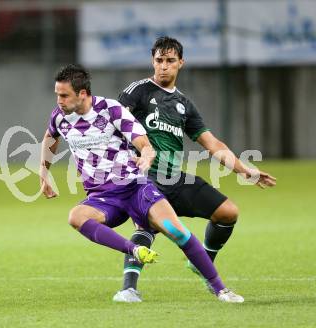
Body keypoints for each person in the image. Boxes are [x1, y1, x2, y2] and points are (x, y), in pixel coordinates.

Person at [39, 63, 244, 303]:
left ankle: (221, 290)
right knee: (76, 216)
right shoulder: (60, 117)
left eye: (64, 95)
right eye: (57, 95)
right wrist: (44, 173)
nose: (59, 100)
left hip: (136, 188)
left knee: (177, 232)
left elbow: (144, 143)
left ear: (82, 93)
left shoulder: (111, 110)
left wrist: (146, 155)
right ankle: (134, 249)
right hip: (104, 199)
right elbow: (49, 138)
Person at [113, 36, 276, 303]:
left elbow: (212, 143)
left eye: (170, 61)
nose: (163, 66)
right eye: (159, 60)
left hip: (175, 178)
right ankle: (128, 289)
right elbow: (115, 122)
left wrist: (244, 170)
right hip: (145, 178)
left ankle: (202, 261)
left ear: (181, 63)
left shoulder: (184, 105)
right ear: (153, 61)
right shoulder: (138, 91)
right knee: (146, 226)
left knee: (228, 212)